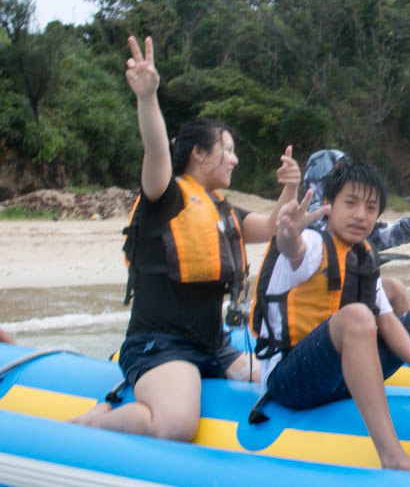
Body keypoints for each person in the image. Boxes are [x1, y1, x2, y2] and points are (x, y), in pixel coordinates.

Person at [70, 35, 302, 440]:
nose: (234, 158)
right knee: (175, 425)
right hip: (159, 345)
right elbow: (157, 150)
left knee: (278, 380)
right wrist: (147, 97)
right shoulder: (166, 196)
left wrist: (290, 186)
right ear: (197, 152)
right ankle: (90, 423)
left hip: (216, 346)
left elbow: (271, 226)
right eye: (226, 149)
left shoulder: (223, 210)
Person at [251, 159, 410, 479]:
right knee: (357, 316)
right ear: (328, 205)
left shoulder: (363, 253)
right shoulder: (313, 243)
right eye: (351, 203)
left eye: (371, 208)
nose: (361, 215)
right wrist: (288, 232)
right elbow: (294, 249)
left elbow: (386, 318)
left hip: (339, 375)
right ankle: (394, 457)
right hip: (293, 378)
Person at [303, 148, 410, 315]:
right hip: (326, 313)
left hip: (349, 299)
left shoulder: (351, 223)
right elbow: (386, 235)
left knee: (395, 287)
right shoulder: (306, 227)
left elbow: (385, 234)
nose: (360, 216)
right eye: (338, 170)